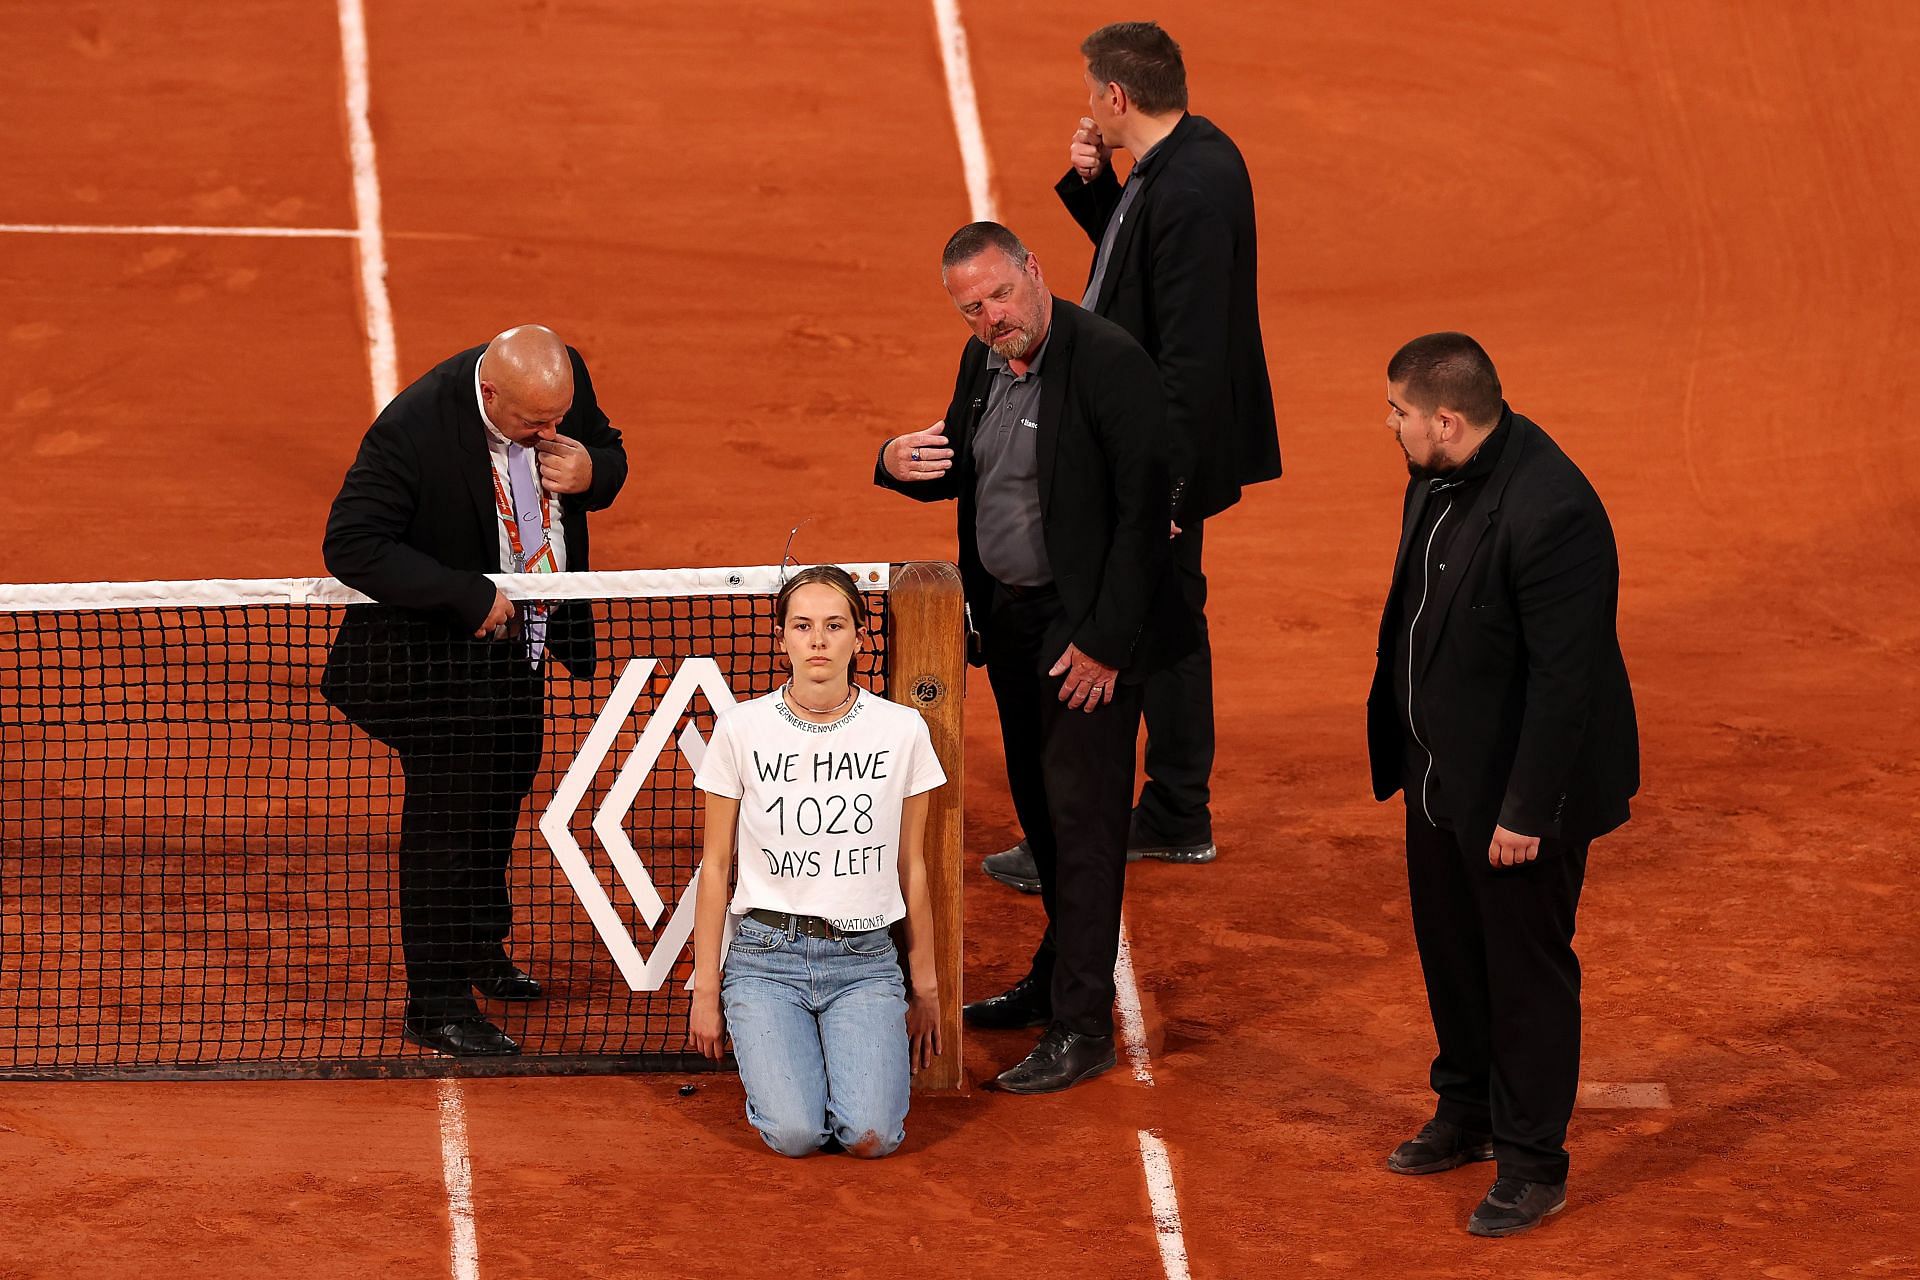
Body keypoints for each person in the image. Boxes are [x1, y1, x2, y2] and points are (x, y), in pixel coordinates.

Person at [875, 222, 1191, 1093]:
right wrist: (896, 462)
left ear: (1034, 273)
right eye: (972, 308)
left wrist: (1104, 644)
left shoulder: (1109, 364)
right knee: (1044, 815)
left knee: (1085, 824)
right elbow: (970, 465)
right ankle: (1058, 976)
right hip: (1010, 626)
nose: (990, 319)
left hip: (1083, 632)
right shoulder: (982, 363)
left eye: (1000, 296)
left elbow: (1147, 519)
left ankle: (1084, 1025)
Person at [981, 20, 1280, 893]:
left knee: (1152, 614)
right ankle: (1179, 808)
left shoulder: (1191, 186)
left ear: (1117, 97)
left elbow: (1188, 358)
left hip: (1163, 449)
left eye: (1090, 92)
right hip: (1160, 441)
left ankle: (1155, 813)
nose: (1087, 105)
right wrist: (1095, 187)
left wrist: (1167, 489)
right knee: (1174, 611)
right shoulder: (1183, 161)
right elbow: (1136, 263)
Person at [1368, 333, 1638, 1237]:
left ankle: (1532, 1162)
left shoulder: (1552, 508)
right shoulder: (1437, 476)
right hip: (1440, 777)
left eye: (1399, 411)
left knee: (1524, 974)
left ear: (1446, 419)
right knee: (1452, 952)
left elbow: (1570, 683)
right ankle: (1468, 1114)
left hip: (1523, 796)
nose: (1390, 424)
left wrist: (1525, 812)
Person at [322, 324, 628, 1057]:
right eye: (534, 424)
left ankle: (479, 951)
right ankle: (435, 1002)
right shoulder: (412, 430)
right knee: (445, 830)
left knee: (505, 788)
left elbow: (608, 455)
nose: (550, 431)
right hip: (434, 662)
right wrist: (465, 596)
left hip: (518, 650)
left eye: (559, 418)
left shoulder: (555, 382)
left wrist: (594, 472)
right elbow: (352, 543)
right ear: (490, 392)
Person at [687, 565, 947, 1157]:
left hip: (866, 962)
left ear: (860, 636)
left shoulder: (902, 731)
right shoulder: (740, 730)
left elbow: (915, 868)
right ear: (782, 638)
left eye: (834, 625)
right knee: (796, 1135)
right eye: (803, 626)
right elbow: (716, 866)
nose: (819, 640)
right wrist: (707, 990)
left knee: (871, 1138)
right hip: (763, 959)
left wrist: (925, 986)